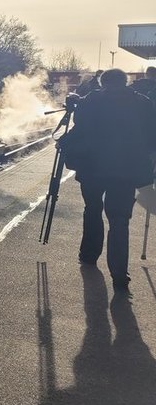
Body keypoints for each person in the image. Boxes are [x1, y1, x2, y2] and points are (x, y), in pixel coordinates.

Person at [71, 68, 156, 290]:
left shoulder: (91, 100)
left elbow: (79, 127)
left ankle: (89, 255)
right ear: (125, 82)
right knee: (119, 221)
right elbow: (152, 138)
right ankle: (119, 274)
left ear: (102, 82)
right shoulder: (142, 103)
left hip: (92, 169)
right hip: (125, 172)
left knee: (92, 209)